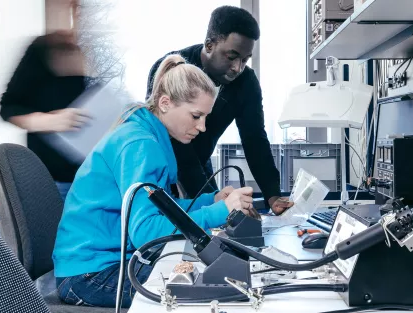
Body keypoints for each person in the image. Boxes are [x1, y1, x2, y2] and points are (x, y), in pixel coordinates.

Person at [52, 54, 256, 308]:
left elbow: (163, 208)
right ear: (165, 103)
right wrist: (220, 211)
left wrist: (211, 200)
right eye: (195, 116)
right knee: (212, 293)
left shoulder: (145, 134)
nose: (202, 127)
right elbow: (146, 233)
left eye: (205, 117)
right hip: (88, 275)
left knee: (203, 280)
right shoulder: (141, 145)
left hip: (97, 265)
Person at [147, 6, 293, 215]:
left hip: (200, 163)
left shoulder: (246, 83)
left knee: (219, 222)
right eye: (231, 56)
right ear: (209, 45)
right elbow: (174, 143)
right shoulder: (171, 69)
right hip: (166, 163)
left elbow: (255, 139)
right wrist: (218, 207)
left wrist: (272, 194)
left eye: (245, 59)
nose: (237, 67)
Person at [0, 30, 90, 201]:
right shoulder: (41, 49)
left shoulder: (84, 49)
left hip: (89, 176)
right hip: (52, 179)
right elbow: (7, 108)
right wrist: (49, 121)